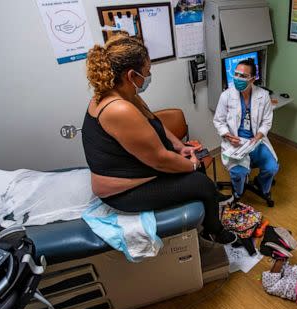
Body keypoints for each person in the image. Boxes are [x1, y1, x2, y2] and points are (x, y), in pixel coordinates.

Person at [81, 32, 236, 244]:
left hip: (138, 166)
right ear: (131, 75)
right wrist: (190, 165)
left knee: (197, 157)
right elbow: (160, 159)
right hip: (123, 190)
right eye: (146, 72)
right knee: (202, 183)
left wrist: (180, 147)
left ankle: (210, 203)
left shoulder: (122, 94)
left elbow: (154, 120)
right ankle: (214, 232)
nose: (148, 76)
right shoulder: (118, 109)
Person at [213, 58, 279, 203]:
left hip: (256, 141)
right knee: (238, 173)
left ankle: (260, 184)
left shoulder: (263, 96)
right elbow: (218, 121)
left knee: (272, 167)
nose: (237, 78)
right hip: (235, 144)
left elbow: (267, 121)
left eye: (243, 76)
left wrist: (258, 137)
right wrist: (229, 136)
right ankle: (238, 192)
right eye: (236, 74)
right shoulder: (226, 96)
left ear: (252, 79)